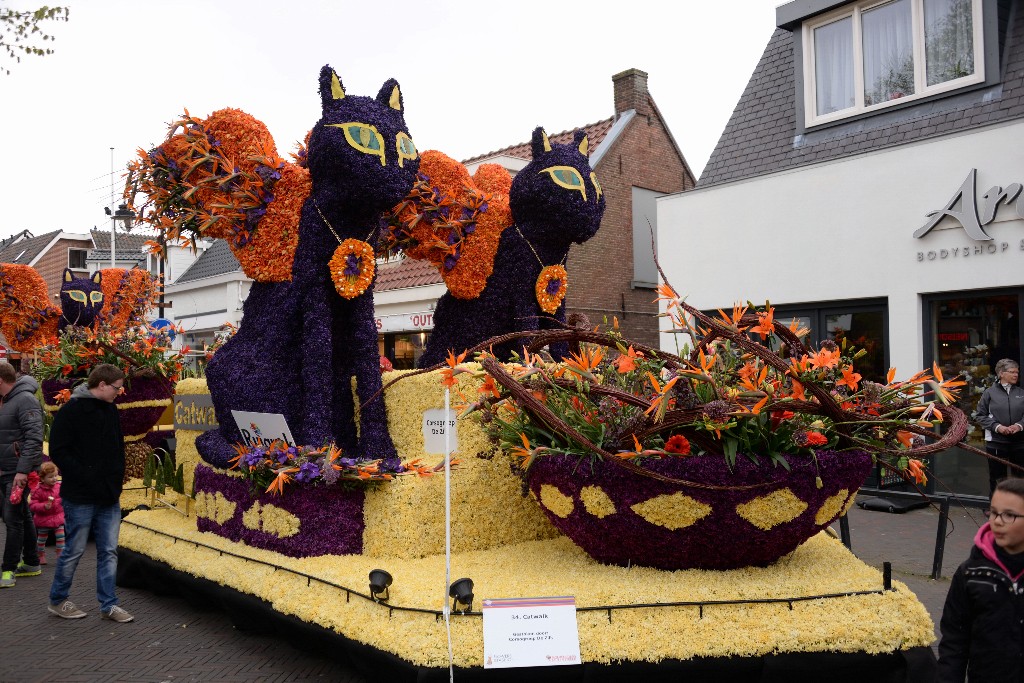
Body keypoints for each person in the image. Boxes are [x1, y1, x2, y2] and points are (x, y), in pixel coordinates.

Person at [47, 363, 133, 622]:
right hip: (81, 495)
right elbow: (58, 451)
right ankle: (58, 599)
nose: (119, 392)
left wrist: (116, 478)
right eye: (117, 387)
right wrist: (86, 475)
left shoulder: (111, 409)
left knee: (108, 551)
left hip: (108, 494)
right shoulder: (70, 411)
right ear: (102, 385)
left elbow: (117, 446)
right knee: (74, 549)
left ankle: (108, 604)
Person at [937, 477, 1024, 682]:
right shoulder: (972, 574)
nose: (998, 521)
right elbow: (954, 644)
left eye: (1009, 515)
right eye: (993, 512)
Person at [0, 360, 43, 588]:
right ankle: (32, 562)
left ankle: (8, 570)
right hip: (8, 470)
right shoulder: (7, 400)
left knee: (12, 519)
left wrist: (22, 471)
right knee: (21, 515)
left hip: (17, 472)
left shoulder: (25, 400)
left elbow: (34, 438)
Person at [976, 358, 1024, 495]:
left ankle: (1019, 508)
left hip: (1019, 442)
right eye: (1012, 372)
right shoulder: (989, 393)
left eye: (1017, 372)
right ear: (1001, 374)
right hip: (996, 442)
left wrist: (1019, 426)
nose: (1016, 375)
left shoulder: (1021, 393)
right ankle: (995, 509)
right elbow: (980, 415)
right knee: (997, 478)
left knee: (1019, 478)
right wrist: (998, 427)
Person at [29, 461, 65, 565]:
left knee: (61, 539)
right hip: (43, 520)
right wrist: (44, 506)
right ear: (42, 478)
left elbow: (64, 498)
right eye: (50, 477)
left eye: (55, 476)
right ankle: (41, 555)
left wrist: (58, 502)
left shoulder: (59, 486)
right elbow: (32, 505)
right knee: (41, 540)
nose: (54, 478)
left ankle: (60, 554)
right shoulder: (38, 491)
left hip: (58, 519)